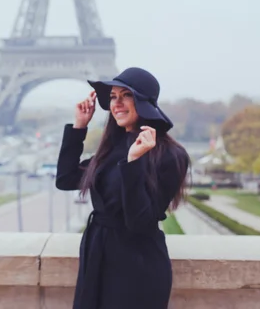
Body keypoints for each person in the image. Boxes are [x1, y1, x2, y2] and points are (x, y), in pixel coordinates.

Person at [55, 67, 190, 309]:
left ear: (143, 101)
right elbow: (65, 179)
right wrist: (78, 128)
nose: (117, 103)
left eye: (126, 95)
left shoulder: (171, 155)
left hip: (137, 268)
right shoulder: (111, 149)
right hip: (98, 257)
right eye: (113, 96)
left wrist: (134, 162)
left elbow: (139, 222)